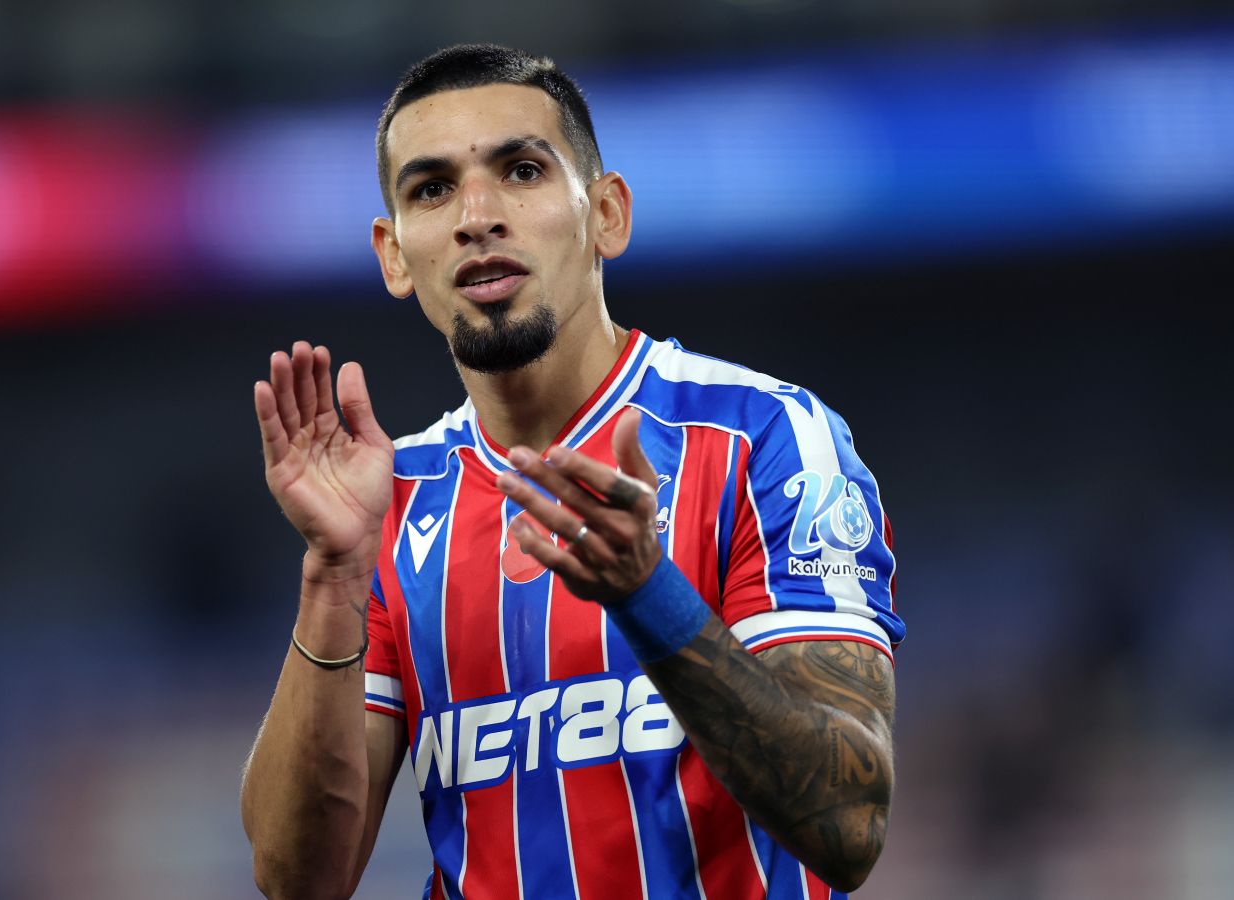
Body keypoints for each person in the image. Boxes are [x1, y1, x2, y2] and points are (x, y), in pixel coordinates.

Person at [240, 44, 904, 900]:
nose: (477, 216)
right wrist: (332, 576)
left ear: (607, 216)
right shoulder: (391, 505)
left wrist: (648, 596)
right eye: (432, 189)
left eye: (521, 171)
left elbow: (848, 823)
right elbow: (299, 882)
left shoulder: (766, 440)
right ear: (394, 254)